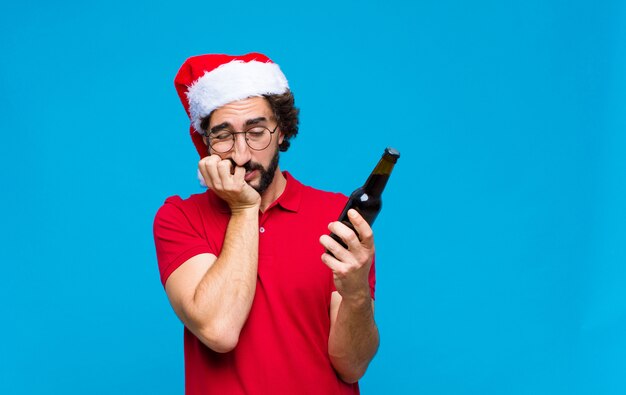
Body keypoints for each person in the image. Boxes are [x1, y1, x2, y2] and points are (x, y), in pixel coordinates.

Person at [153, 53, 379, 394]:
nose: (242, 155)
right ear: (206, 144)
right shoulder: (180, 218)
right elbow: (219, 330)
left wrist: (358, 292)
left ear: (282, 132)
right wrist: (244, 208)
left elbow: (351, 366)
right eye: (223, 136)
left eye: (256, 132)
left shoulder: (337, 216)